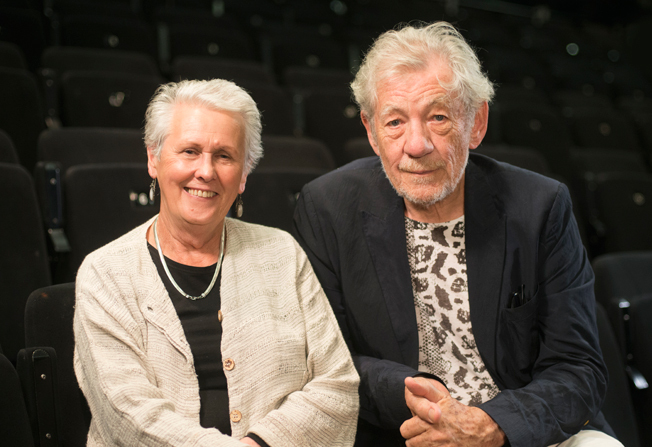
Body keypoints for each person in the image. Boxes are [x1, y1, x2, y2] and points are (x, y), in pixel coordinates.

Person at [293, 22, 621, 447]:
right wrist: (424, 402)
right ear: (371, 132)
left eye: (438, 117)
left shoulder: (540, 206)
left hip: (519, 430)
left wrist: (493, 426)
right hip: (404, 431)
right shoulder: (325, 207)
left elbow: (578, 368)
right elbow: (324, 360)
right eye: (394, 122)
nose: (416, 144)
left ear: (476, 122)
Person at [73, 79, 360, 447]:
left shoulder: (283, 254)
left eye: (224, 156)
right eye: (189, 151)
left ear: (243, 174)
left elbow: (337, 386)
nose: (206, 171)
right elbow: (127, 415)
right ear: (153, 159)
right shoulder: (105, 274)